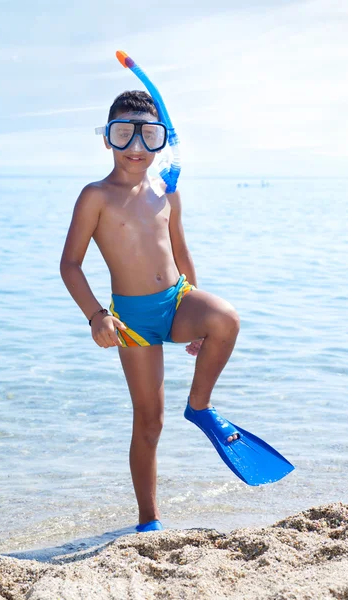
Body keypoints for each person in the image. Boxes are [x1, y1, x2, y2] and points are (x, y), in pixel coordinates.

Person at [60, 90, 241, 532]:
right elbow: (70, 264)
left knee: (225, 319)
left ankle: (200, 406)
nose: (136, 148)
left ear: (162, 140)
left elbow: (180, 250)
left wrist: (195, 310)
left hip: (176, 301)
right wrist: (96, 315)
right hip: (132, 321)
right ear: (108, 139)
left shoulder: (167, 191)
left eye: (148, 136)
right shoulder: (96, 196)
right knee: (149, 420)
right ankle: (149, 519)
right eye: (124, 134)